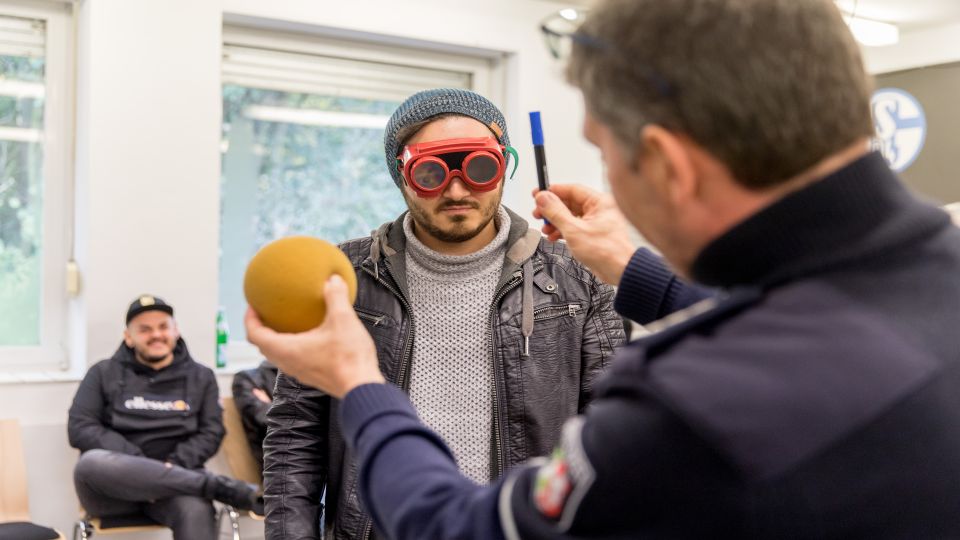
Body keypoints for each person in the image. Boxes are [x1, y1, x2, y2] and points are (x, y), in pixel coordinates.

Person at [248, 0, 960, 537]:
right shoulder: (931, 279)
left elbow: (459, 526)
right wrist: (635, 269)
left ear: (669, 167)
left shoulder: (686, 406)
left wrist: (357, 383)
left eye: (606, 150)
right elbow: (794, 327)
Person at [260, 88, 669, 539]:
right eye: (432, 172)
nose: (457, 190)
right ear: (402, 175)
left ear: (503, 166)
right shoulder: (344, 278)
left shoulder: (579, 277)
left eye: (478, 168)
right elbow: (296, 433)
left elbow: (610, 426)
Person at [68, 295, 263, 540]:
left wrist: (172, 467)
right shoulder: (102, 372)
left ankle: (198, 484)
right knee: (91, 463)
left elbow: (211, 432)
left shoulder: (201, 377)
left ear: (176, 331)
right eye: (145, 329)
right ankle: (213, 486)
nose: (156, 335)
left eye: (163, 327)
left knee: (196, 510)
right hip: (114, 491)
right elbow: (80, 427)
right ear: (128, 337)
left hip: (176, 488)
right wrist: (139, 465)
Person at [231, 359, 278, 468]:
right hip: (278, 462)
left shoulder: (308, 378)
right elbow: (265, 419)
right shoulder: (247, 378)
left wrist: (271, 406)